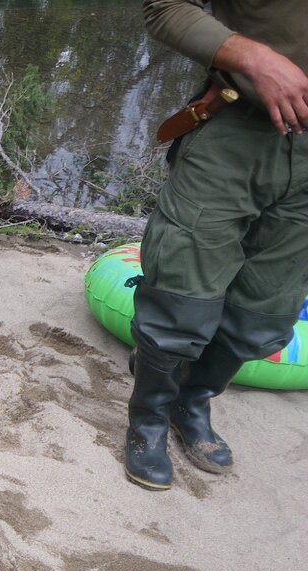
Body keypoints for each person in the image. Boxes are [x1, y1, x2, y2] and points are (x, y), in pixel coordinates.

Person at [127, 1, 308, 490]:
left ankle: (192, 399)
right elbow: (164, 8)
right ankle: (148, 419)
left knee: (263, 317)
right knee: (179, 299)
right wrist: (251, 57)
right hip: (238, 131)